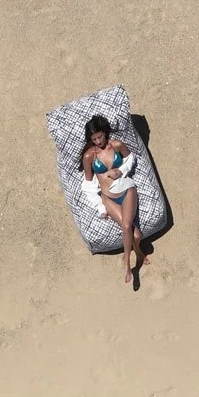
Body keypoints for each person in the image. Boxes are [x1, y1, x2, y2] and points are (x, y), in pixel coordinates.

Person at [80, 115, 144, 288]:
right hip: (108, 197)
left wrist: (121, 171)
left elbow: (131, 158)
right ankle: (138, 252)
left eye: (100, 136)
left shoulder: (116, 145)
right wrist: (100, 206)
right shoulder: (89, 156)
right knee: (136, 235)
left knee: (126, 226)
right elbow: (87, 184)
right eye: (94, 139)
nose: (98, 141)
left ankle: (127, 266)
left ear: (104, 132)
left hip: (126, 188)